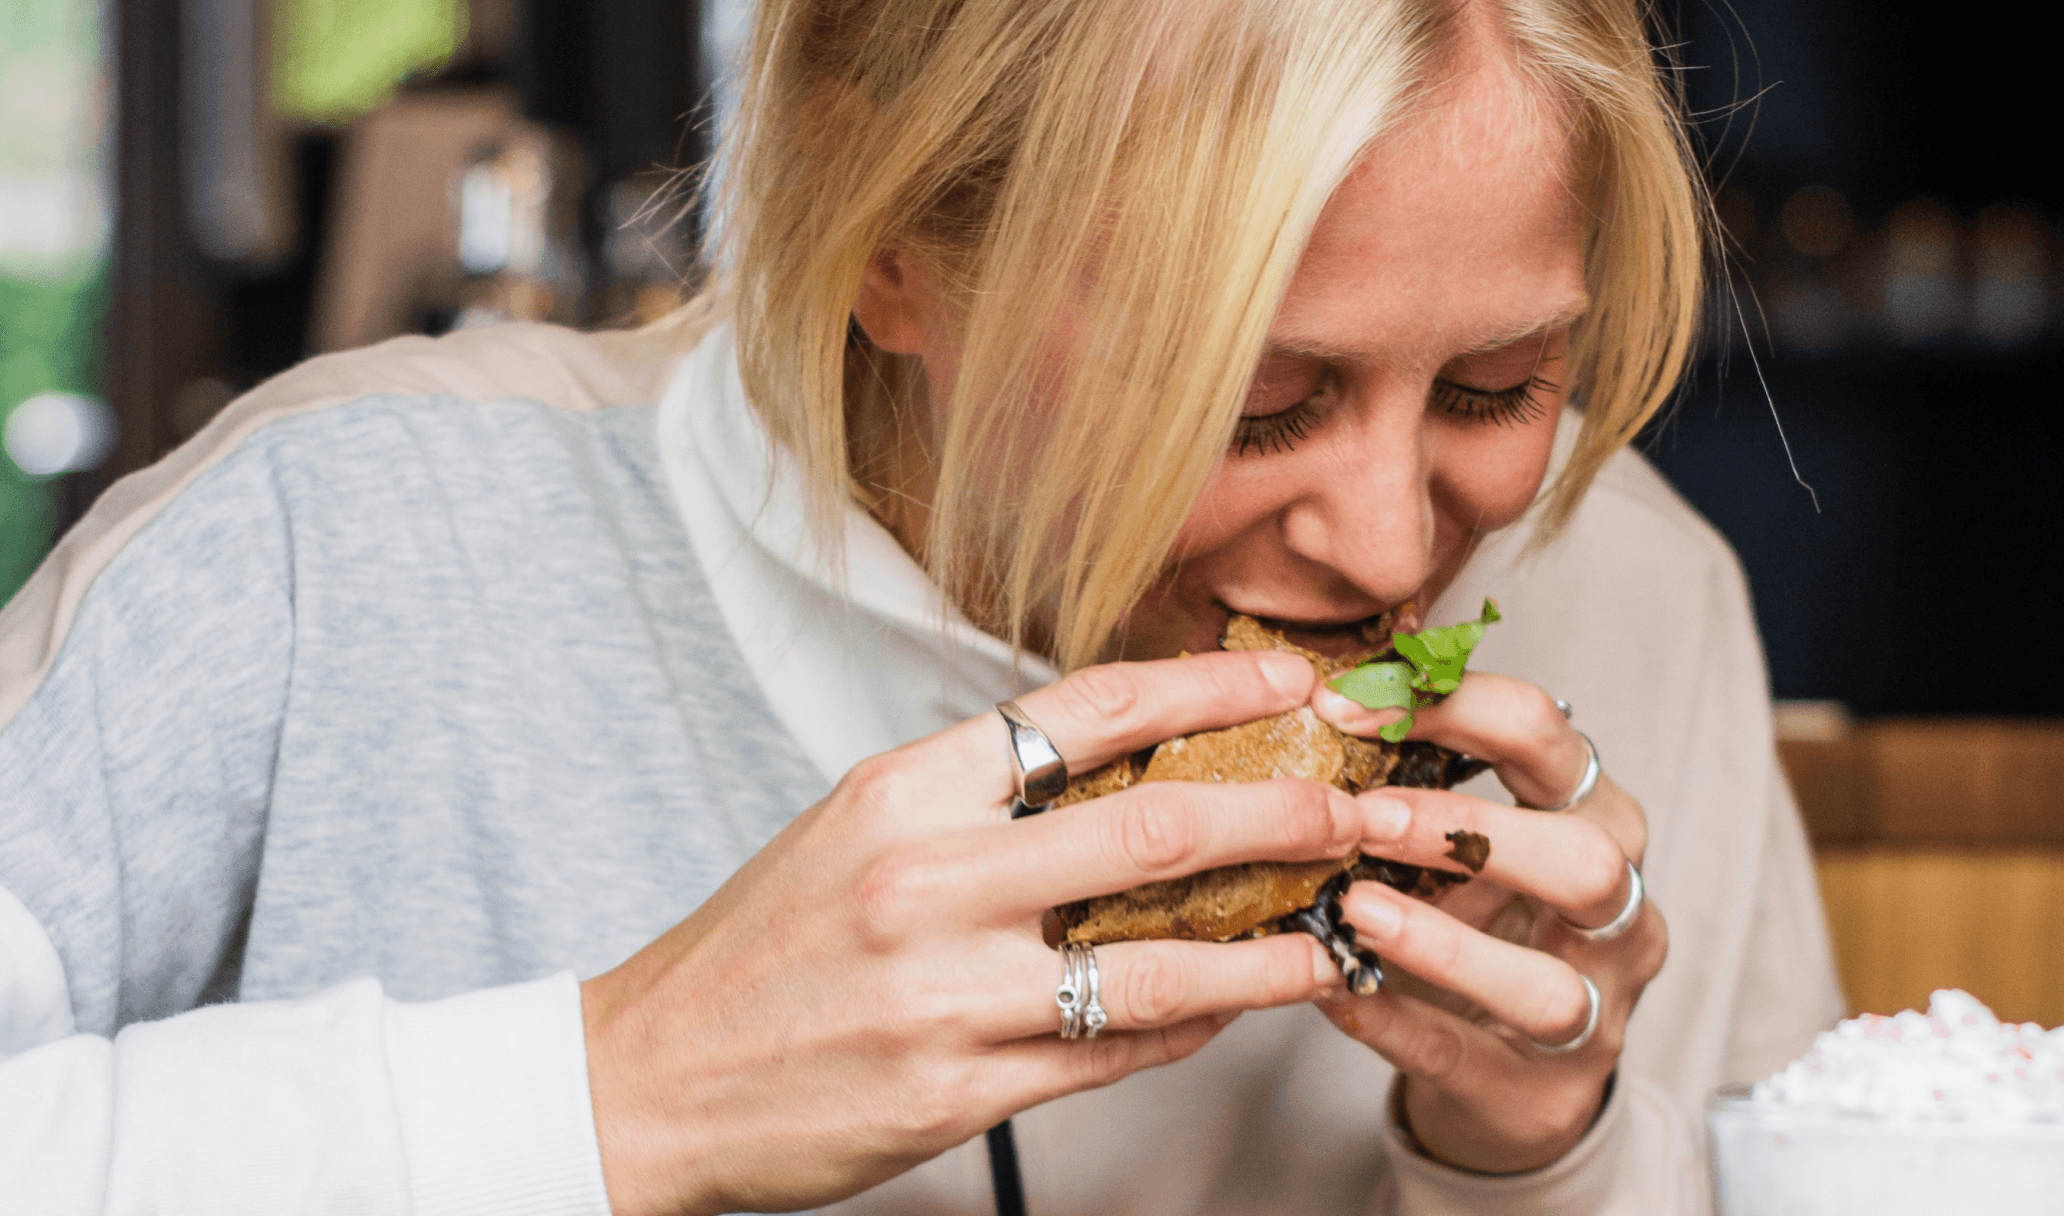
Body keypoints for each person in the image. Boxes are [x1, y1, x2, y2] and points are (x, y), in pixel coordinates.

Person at [0, 0, 1843, 1211]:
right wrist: (615, 1086)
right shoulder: (337, 541)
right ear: (887, 244)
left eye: (1498, 388)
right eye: (1247, 401)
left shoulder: (1639, 593)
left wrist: (1546, 1159)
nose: (1383, 545)